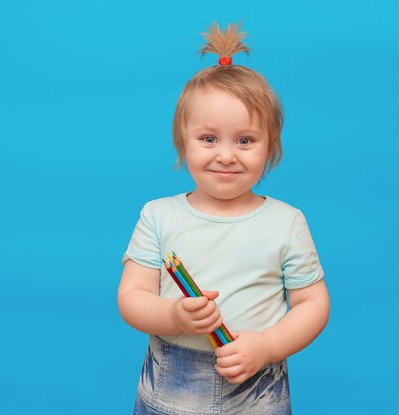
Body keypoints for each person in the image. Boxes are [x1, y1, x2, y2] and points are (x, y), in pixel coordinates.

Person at [117, 21, 330, 415]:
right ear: (183, 142)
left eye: (245, 140)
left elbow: (313, 303)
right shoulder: (157, 215)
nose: (227, 155)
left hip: (258, 390)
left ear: (271, 147)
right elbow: (131, 298)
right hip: (170, 386)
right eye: (209, 139)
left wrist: (267, 346)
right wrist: (173, 315)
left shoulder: (287, 222)